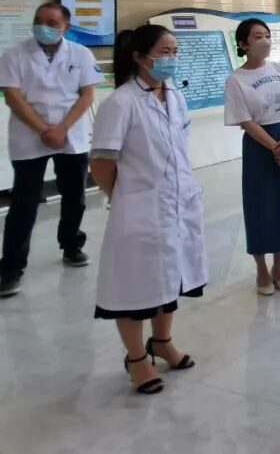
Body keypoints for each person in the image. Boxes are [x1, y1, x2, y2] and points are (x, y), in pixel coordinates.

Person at [89, 25, 206, 395]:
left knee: (169, 278)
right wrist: (125, 196)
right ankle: (137, 359)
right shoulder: (120, 102)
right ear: (140, 57)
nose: (172, 58)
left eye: (175, 51)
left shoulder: (174, 96)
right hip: (138, 208)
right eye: (164, 52)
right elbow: (102, 162)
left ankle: (163, 342)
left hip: (177, 202)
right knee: (134, 286)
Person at [0, 2, 102, 297]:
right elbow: (12, 97)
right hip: (29, 134)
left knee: (74, 196)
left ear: (65, 27)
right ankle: (11, 269)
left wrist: (62, 129)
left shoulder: (80, 54)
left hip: (70, 134)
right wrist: (45, 130)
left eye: (52, 23)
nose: (43, 27)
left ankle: (71, 245)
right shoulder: (15, 55)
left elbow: (87, 95)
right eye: (39, 20)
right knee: (24, 204)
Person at [224, 18, 280, 296]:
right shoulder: (236, 80)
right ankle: (261, 267)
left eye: (267, 35)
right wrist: (275, 148)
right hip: (260, 146)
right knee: (260, 206)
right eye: (258, 36)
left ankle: (279, 266)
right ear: (244, 44)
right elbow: (246, 121)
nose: (265, 41)